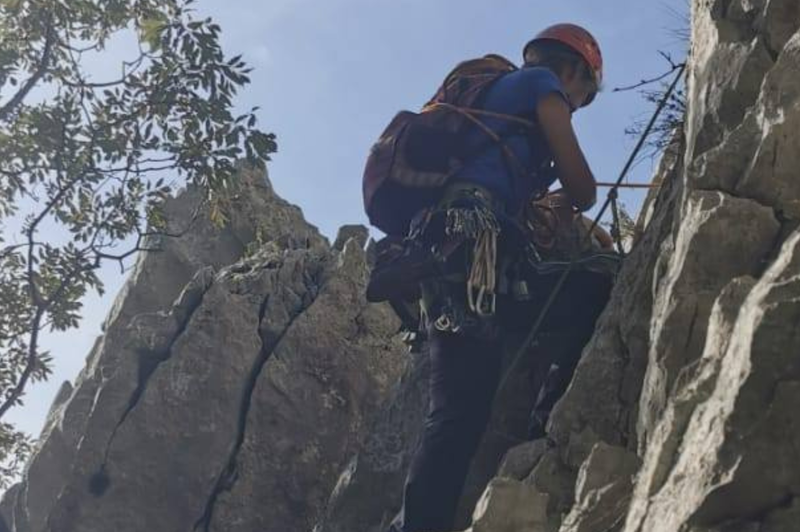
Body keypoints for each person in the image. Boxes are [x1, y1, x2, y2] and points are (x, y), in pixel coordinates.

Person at [387, 23, 606, 532]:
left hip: (446, 252)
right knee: (595, 286)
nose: (576, 105)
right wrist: (571, 199)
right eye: (583, 96)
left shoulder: (496, 103)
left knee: (458, 411)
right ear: (570, 70)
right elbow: (583, 186)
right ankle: (549, 422)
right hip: (479, 248)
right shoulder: (538, 85)